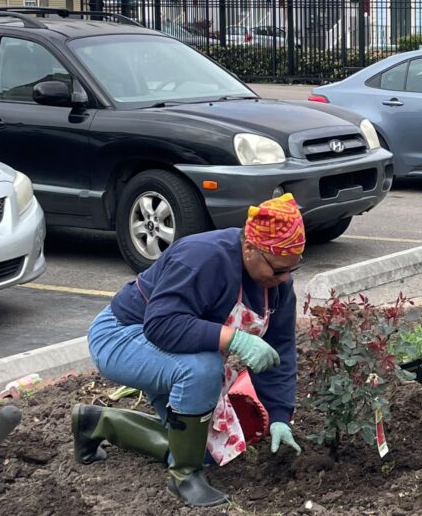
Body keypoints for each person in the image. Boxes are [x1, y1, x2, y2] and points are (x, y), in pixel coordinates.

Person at [73, 193, 307, 508]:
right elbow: (161, 324)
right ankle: (184, 477)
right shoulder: (204, 256)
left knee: (210, 451)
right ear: (250, 248)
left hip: (171, 349)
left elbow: (280, 347)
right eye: (278, 270)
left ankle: (96, 423)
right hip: (121, 336)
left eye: (291, 269)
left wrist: (280, 414)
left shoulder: (276, 286)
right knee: (202, 368)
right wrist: (233, 339)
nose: (284, 278)